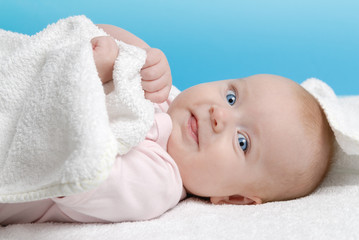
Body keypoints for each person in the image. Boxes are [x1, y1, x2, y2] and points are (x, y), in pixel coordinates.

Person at [0, 24, 334, 224]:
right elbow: (93, 35)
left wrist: (92, 72)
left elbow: (72, 169)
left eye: (242, 141)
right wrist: (137, 53)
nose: (220, 115)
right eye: (232, 97)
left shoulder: (157, 182)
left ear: (234, 198)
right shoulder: (168, 96)